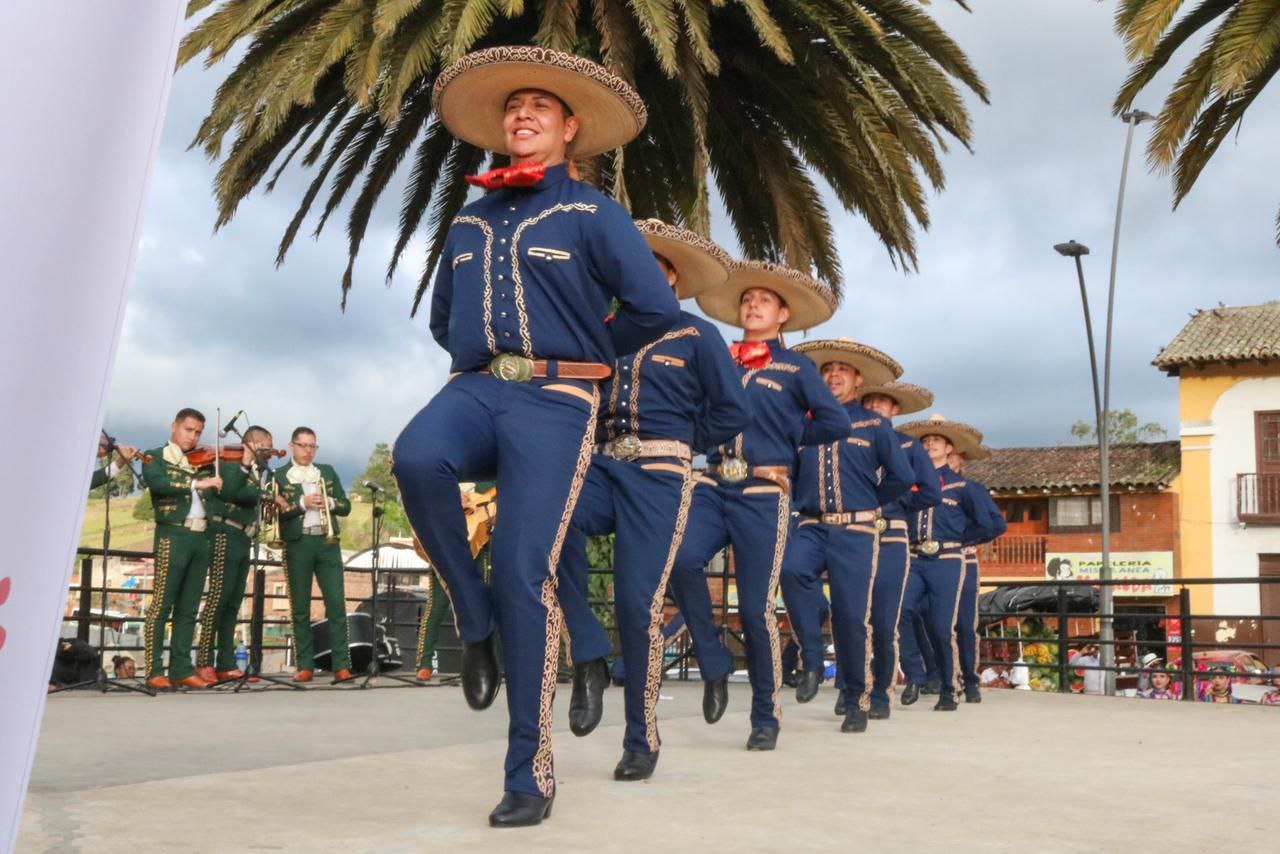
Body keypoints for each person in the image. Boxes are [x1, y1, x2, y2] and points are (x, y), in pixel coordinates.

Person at [390, 47, 680, 827]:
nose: (523, 115)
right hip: (478, 385)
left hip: (558, 399)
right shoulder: (470, 216)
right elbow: (442, 316)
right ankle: (471, 616)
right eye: (513, 107)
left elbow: (655, 309)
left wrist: (592, 354)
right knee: (416, 457)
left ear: (570, 129)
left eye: (540, 108)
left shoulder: (593, 215)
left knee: (524, 569)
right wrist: (476, 364)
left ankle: (529, 772)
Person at [553, 220, 750, 781]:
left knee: (639, 605)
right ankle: (588, 653)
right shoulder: (600, 331)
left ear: (671, 279)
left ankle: (641, 738)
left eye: (653, 269)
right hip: (600, 463)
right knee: (548, 519)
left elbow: (732, 410)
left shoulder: (696, 335)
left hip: (660, 475)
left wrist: (684, 443)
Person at [666, 261, 846, 752]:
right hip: (711, 482)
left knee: (755, 605)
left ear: (783, 315)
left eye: (764, 300)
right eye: (748, 299)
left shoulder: (796, 368)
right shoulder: (718, 358)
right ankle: (714, 659)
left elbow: (833, 423)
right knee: (679, 560)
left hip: (764, 493)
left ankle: (765, 712)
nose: (752, 305)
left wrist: (788, 444)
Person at [779, 338, 913, 734]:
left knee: (853, 618)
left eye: (843, 369)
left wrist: (871, 502)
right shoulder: (804, 423)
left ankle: (857, 697)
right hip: (809, 524)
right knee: (791, 572)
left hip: (855, 530)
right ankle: (812, 654)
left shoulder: (875, 425)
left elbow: (902, 477)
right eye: (827, 369)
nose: (833, 374)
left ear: (858, 380)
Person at [896, 415, 1004, 711]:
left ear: (949, 450)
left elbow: (993, 526)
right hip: (915, 558)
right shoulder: (909, 484)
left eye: (936, 441)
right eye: (925, 441)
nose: (929, 444)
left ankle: (950, 687)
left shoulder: (963, 487)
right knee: (900, 611)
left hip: (947, 560)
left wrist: (960, 538)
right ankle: (916, 674)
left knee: (944, 627)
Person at [858, 381, 943, 717]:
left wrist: (895, 501)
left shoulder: (908, 445)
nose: (876, 406)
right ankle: (852, 687)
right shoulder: (849, 437)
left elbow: (931, 492)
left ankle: (881, 691)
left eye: (883, 402)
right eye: (870, 401)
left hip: (891, 534)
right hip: (852, 530)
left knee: (885, 618)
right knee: (851, 615)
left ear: (896, 410)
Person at [141, 408, 221, 691]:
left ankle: (181, 668)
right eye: (189, 430)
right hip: (173, 533)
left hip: (201, 536)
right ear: (174, 426)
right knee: (162, 604)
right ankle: (153, 669)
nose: (193, 437)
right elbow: (159, 483)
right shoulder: (155, 456)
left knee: (189, 607)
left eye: (198, 432)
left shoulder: (202, 461)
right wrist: (197, 483)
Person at [194, 426, 275, 684]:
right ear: (255, 443)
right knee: (218, 598)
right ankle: (203, 661)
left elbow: (246, 494)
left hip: (244, 536)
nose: (270, 452)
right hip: (224, 532)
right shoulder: (228, 464)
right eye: (267, 447)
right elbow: (230, 491)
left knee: (232, 603)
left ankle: (226, 662)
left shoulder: (257, 472)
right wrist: (260, 490)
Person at [273, 427, 354, 685]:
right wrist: (301, 504)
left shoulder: (327, 472)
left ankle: (342, 665)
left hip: (326, 542)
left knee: (336, 604)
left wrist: (329, 502)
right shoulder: (279, 475)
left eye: (313, 446)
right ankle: (305, 664)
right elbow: (276, 515)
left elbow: (346, 506)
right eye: (303, 445)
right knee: (299, 606)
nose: (308, 451)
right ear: (293, 446)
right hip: (298, 543)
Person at [946, 442, 1006, 703]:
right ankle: (939, 675)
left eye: (951, 456)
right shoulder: (920, 488)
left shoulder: (970, 490)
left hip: (962, 558)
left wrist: (962, 539)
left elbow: (994, 524)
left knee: (963, 623)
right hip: (923, 559)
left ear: (961, 461)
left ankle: (969, 679)